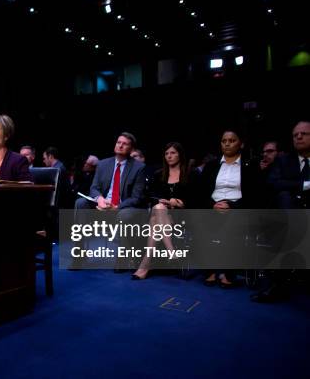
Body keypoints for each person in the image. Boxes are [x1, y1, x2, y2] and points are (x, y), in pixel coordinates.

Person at [252, 121, 310, 302]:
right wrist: (305, 185)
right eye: (295, 135)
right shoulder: (284, 161)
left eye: (304, 134)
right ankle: (277, 284)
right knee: (284, 197)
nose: (299, 137)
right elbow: (274, 183)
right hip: (289, 214)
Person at [197, 130, 261, 288]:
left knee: (234, 221)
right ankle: (209, 270)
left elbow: (257, 195)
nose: (227, 143)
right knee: (200, 220)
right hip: (212, 205)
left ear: (241, 143)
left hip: (238, 207)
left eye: (232, 140)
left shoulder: (250, 165)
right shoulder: (211, 165)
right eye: (224, 140)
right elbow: (200, 192)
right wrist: (212, 204)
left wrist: (232, 205)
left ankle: (228, 272)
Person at [75, 132, 147, 270]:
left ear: (131, 149)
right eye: (118, 142)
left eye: (125, 143)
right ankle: (78, 253)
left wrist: (117, 207)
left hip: (123, 207)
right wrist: (101, 199)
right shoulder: (103, 164)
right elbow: (94, 188)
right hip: (103, 204)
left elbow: (136, 197)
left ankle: (122, 257)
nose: (120, 145)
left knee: (123, 214)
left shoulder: (139, 168)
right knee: (80, 203)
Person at [132, 142, 192, 280]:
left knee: (155, 220)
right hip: (162, 213)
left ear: (180, 155)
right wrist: (162, 201)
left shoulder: (190, 173)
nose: (169, 156)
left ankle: (145, 264)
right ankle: (172, 252)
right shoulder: (159, 174)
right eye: (166, 154)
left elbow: (196, 198)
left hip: (183, 215)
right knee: (158, 209)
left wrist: (179, 203)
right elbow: (152, 196)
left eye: (173, 153)